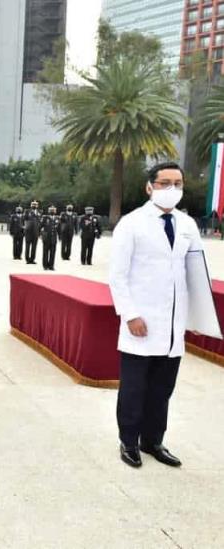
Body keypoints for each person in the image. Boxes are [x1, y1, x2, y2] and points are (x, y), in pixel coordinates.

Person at [109, 162, 203, 469]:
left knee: (162, 389)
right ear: (150, 187)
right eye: (164, 183)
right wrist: (130, 314)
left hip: (174, 325)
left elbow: (195, 275)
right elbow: (118, 276)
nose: (171, 189)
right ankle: (129, 441)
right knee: (135, 387)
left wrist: (198, 319)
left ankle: (153, 441)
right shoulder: (132, 223)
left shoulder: (187, 225)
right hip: (141, 322)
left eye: (177, 183)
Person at [40, 205, 59, 271]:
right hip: (46, 237)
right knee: (45, 252)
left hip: (53, 238)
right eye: (51, 210)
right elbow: (40, 226)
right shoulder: (45, 218)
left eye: (54, 210)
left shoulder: (57, 218)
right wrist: (41, 235)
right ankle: (45, 265)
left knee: (52, 252)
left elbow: (58, 228)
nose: (53, 211)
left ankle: (51, 265)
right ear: (49, 211)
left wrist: (60, 237)